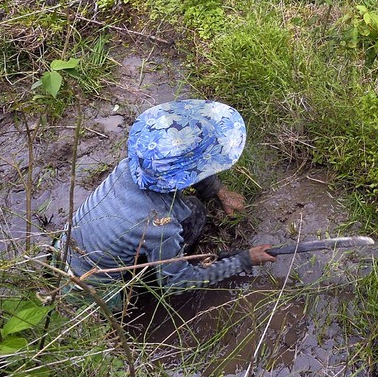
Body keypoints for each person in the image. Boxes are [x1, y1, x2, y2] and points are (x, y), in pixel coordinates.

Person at [62, 99, 275, 309]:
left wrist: (219, 191)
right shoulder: (161, 225)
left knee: (190, 209)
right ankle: (140, 292)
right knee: (195, 214)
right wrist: (244, 260)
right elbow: (179, 282)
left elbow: (186, 166)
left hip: (63, 253)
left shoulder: (128, 168)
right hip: (93, 293)